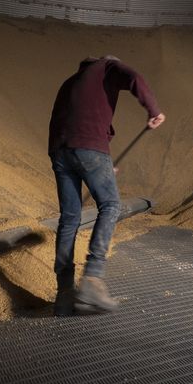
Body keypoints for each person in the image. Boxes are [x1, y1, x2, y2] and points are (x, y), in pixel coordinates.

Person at [48, 55, 164, 313]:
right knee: (111, 206)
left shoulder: (70, 83)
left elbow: (89, 125)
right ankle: (92, 278)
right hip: (88, 149)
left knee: (69, 218)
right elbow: (135, 78)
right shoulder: (108, 66)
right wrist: (153, 110)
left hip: (59, 151)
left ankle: (64, 294)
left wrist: (101, 164)